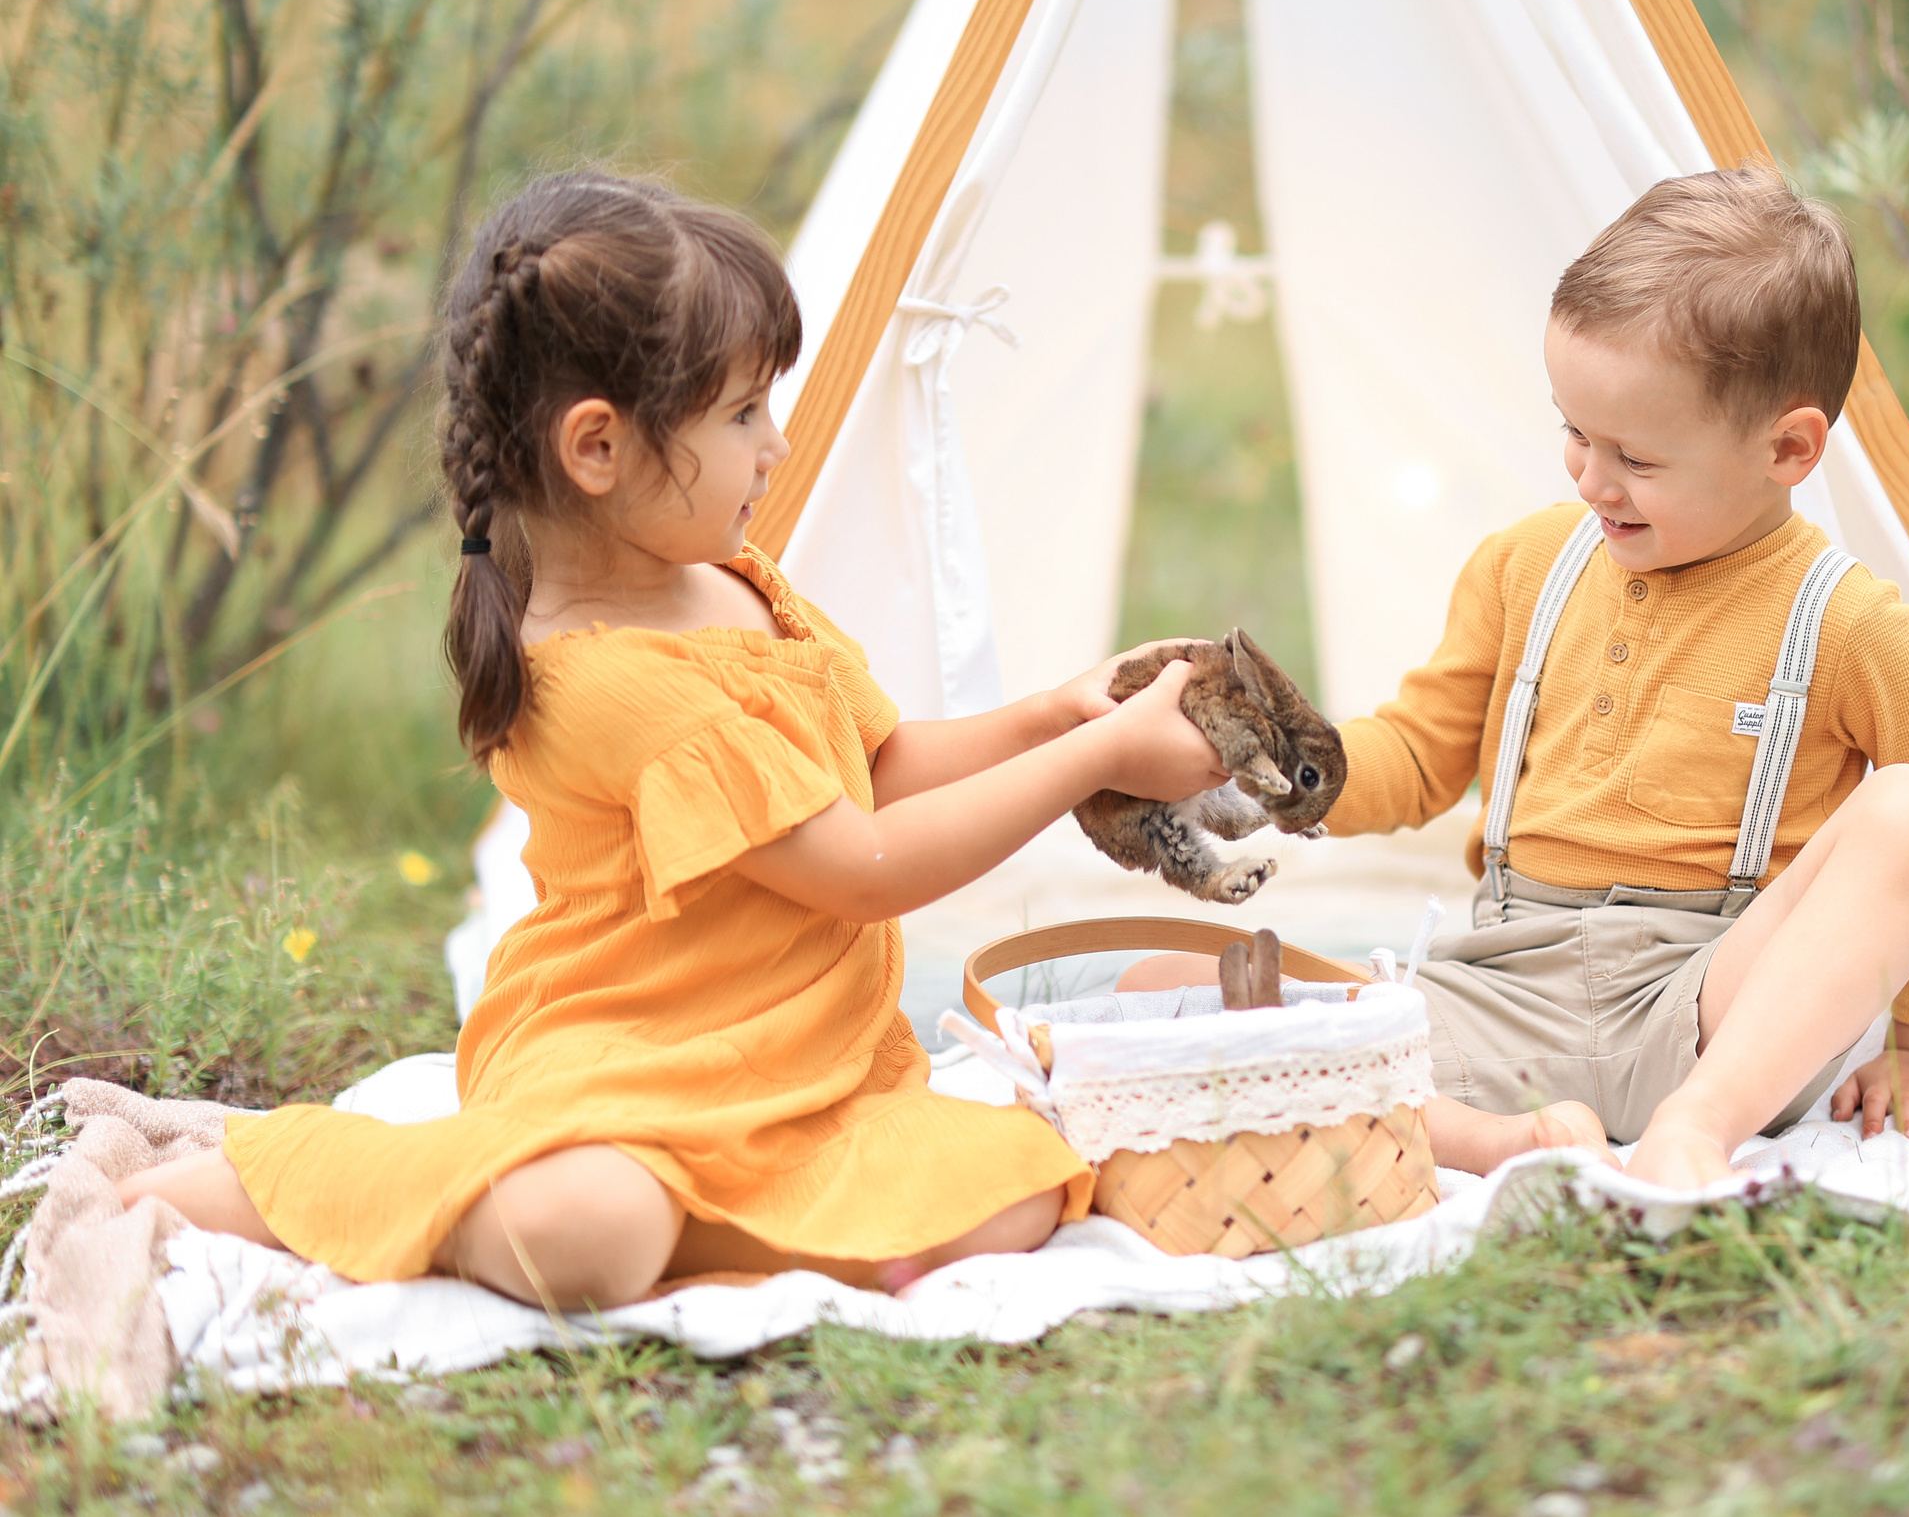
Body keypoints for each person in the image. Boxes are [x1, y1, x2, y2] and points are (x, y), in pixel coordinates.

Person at [120, 172, 1229, 1308]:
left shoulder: (735, 583)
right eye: (742, 414)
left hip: (794, 1065)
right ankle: (321, 1184)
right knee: (591, 1234)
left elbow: (878, 770)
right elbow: (865, 866)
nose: (777, 445)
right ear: (598, 447)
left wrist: (1057, 713)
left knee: (1017, 1197)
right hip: (629, 1061)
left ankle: (721, 1224)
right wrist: (1094, 764)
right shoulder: (612, 684)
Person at [1125, 167, 1909, 1189]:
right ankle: (1495, 1138)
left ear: (1788, 447)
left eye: (1635, 457)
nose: (1591, 478)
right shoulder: (1525, 566)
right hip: (1499, 989)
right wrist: (1284, 766)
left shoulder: (1845, 619)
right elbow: (1417, 754)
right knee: (1158, 987)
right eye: (1574, 434)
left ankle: (1696, 1130)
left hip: (1715, 1008)